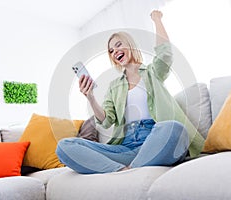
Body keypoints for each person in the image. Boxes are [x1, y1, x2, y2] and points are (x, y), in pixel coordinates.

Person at [56, 10, 204, 174]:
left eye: (118, 45)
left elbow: (165, 54)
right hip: (125, 150)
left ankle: (128, 171)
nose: (114, 52)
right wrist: (90, 97)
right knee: (64, 146)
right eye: (111, 51)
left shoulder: (152, 72)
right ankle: (124, 169)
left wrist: (157, 19)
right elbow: (106, 121)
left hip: (155, 141)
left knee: (175, 128)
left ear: (130, 45)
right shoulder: (114, 87)